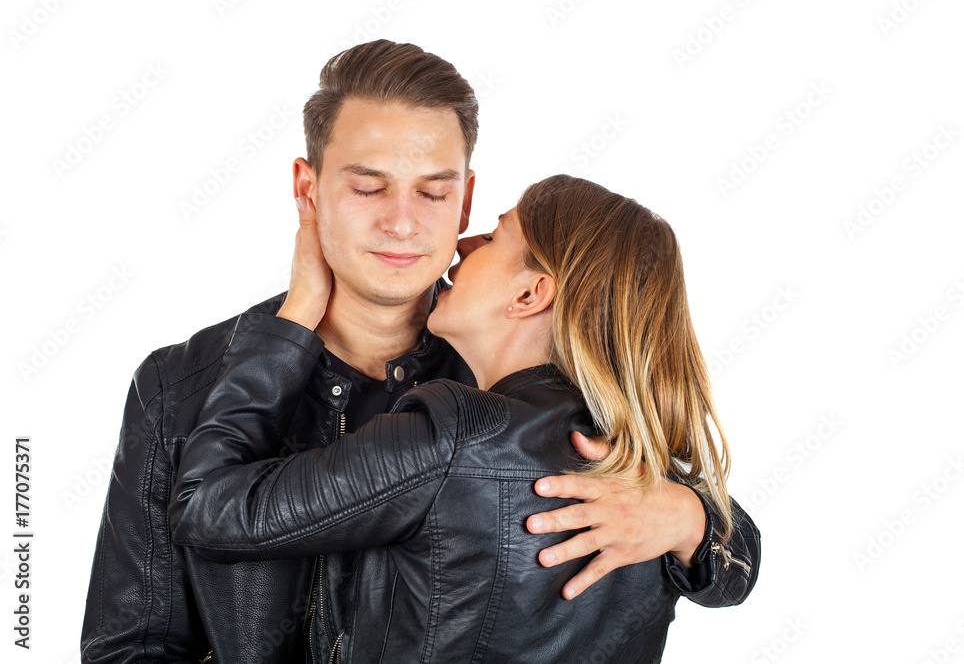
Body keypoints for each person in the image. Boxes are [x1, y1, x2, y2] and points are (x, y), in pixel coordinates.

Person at [81, 40, 755, 663]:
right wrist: (291, 328)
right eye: (368, 187)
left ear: (465, 201)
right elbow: (129, 650)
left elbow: (723, 545)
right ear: (307, 190)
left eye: (433, 192)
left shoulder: (520, 385)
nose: (402, 222)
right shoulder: (179, 385)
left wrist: (691, 519)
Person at [170, 174, 760, 662]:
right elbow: (739, 563)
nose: (462, 244)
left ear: (529, 295)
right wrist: (695, 520)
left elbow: (205, 509)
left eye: (495, 237)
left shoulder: (453, 435)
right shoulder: (651, 478)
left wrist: (295, 316)